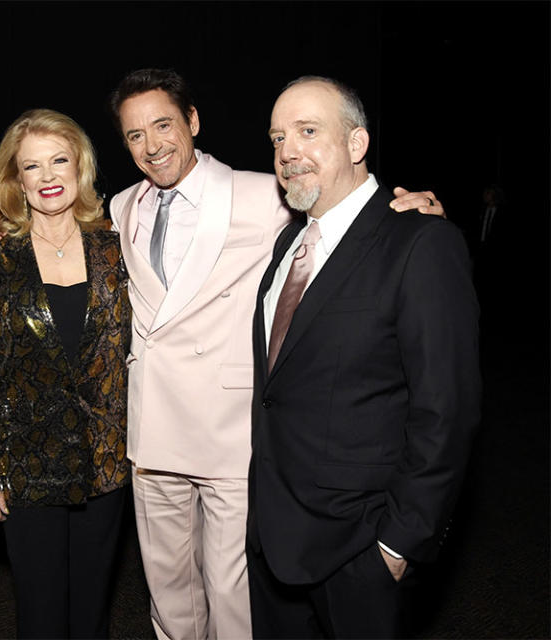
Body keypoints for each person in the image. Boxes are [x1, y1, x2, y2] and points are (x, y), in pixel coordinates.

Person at [106, 68, 446, 639]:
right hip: (151, 429)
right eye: (135, 135)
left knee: (234, 594)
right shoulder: (119, 207)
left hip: (229, 433)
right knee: (167, 593)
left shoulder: (261, 191)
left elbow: (342, 208)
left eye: (163, 125)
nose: (152, 144)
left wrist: (407, 205)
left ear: (192, 121)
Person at [247, 76, 480, 638]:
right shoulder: (289, 245)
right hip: (275, 540)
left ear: (356, 144)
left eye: (308, 132)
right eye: (278, 138)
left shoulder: (421, 242)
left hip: (361, 550)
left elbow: (446, 410)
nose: (287, 153)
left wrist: (398, 543)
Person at [0, 109, 131, 639]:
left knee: (92, 613)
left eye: (60, 160)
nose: (49, 176)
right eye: (33, 166)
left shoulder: (115, 249)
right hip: (27, 466)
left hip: (104, 460)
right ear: (16, 179)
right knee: (38, 613)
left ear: (81, 168)